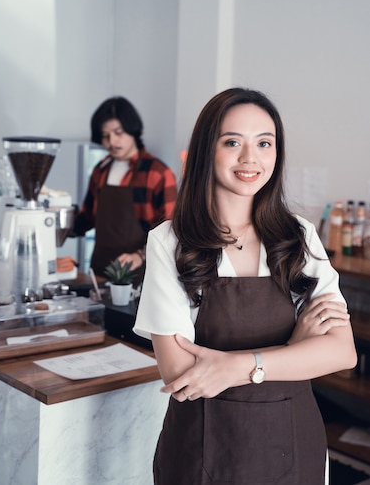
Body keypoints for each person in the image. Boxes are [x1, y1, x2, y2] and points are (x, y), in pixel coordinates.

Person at [133, 87, 357, 485]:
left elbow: (341, 351)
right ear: (207, 150)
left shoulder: (298, 236)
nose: (250, 158)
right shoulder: (171, 241)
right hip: (203, 451)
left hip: (294, 446)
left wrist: (238, 365)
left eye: (264, 143)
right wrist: (293, 351)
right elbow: (182, 373)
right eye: (232, 142)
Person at [72, 96, 177, 286]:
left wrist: (139, 254)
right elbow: (87, 218)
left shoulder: (158, 173)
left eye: (118, 132)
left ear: (132, 130)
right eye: (105, 136)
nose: (112, 141)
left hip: (141, 277)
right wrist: (57, 226)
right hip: (100, 275)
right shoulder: (100, 170)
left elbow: (170, 232)